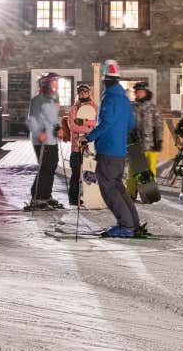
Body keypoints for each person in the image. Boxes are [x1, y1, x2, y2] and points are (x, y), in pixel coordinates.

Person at [83, 59, 139, 237]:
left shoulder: (109, 99)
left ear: (106, 80)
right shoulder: (124, 99)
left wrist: (88, 137)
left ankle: (126, 225)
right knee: (118, 186)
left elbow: (105, 123)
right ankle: (133, 222)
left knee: (109, 189)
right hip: (120, 151)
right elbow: (131, 123)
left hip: (108, 149)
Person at [25, 72, 64, 210]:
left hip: (52, 138)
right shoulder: (37, 100)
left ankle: (46, 195)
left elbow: (55, 118)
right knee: (45, 166)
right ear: (46, 83)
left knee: (52, 165)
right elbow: (32, 119)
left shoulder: (55, 98)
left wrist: (59, 127)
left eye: (56, 81)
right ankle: (37, 196)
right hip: (40, 139)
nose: (56, 83)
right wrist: (39, 133)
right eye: (54, 81)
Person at [127, 80, 161, 199]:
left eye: (142, 92)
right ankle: (131, 193)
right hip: (134, 144)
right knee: (133, 171)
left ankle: (148, 193)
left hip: (149, 144)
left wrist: (159, 140)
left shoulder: (152, 108)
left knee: (150, 170)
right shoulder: (131, 107)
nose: (139, 94)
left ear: (146, 93)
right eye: (138, 92)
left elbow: (158, 125)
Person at [66, 83, 97, 205]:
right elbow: (73, 127)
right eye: (80, 92)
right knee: (76, 173)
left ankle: (90, 196)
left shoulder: (95, 107)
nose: (82, 94)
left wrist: (84, 122)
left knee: (90, 171)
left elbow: (98, 123)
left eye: (85, 91)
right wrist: (89, 128)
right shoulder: (74, 108)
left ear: (89, 92)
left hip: (91, 146)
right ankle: (74, 199)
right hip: (77, 147)